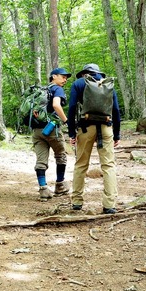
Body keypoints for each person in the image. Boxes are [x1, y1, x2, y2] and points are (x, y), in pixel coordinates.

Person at [67, 63, 121, 214]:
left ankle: (77, 202)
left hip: (85, 127)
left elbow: (71, 108)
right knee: (108, 165)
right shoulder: (107, 83)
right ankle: (109, 204)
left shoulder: (78, 83)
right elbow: (115, 110)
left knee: (81, 165)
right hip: (105, 127)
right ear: (98, 72)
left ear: (84, 73)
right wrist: (117, 134)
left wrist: (71, 132)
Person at [33, 67, 72, 201]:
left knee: (41, 160)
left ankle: (43, 189)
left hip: (37, 131)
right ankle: (60, 185)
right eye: (63, 76)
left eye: (66, 78)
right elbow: (56, 105)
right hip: (51, 129)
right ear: (54, 76)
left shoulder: (41, 91)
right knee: (60, 155)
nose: (65, 80)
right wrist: (66, 120)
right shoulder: (57, 89)